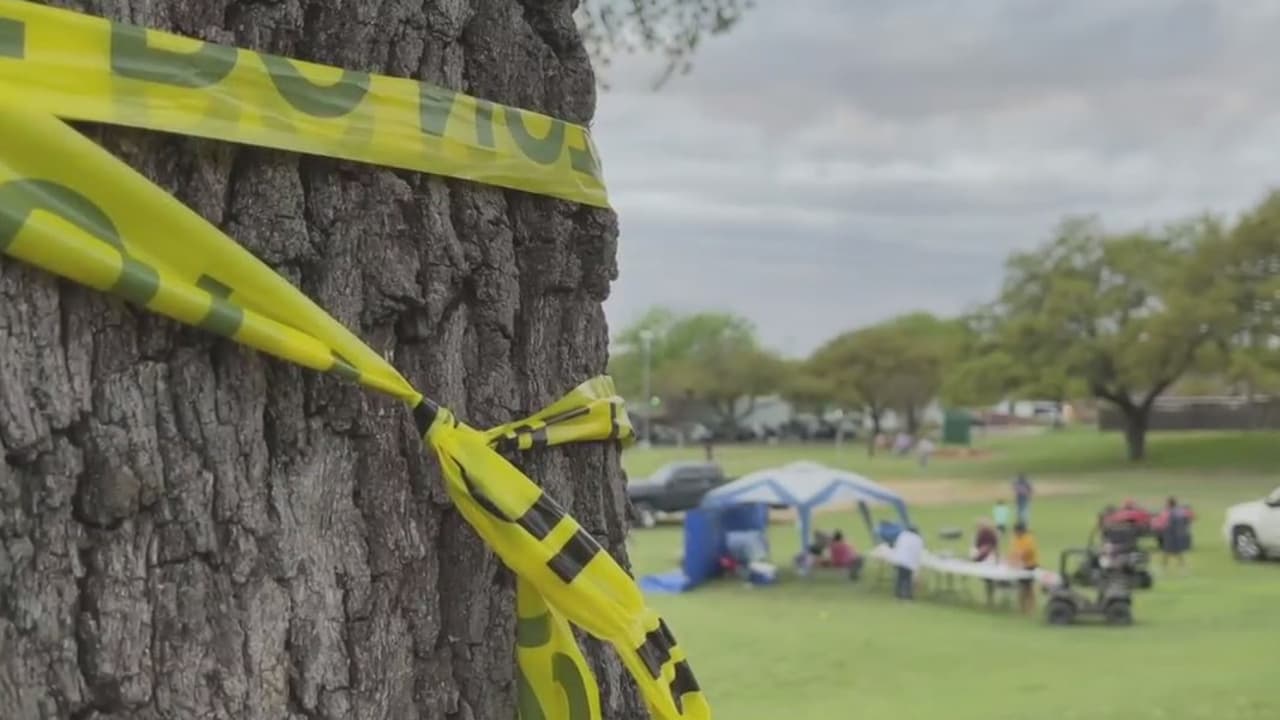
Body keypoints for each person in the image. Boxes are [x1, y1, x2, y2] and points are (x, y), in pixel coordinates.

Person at [1008, 522, 1040, 616]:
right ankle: (1021, 608)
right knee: (1021, 587)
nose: (1015, 533)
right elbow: (1014, 551)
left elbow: (1025, 553)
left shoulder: (1028, 539)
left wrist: (1016, 560)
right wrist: (1010, 560)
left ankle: (1031, 608)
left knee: (1029, 588)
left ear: (1021, 531)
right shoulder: (1015, 539)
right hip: (1021, 566)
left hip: (1030, 565)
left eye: (1016, 531)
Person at [971, 519, 1001, 605]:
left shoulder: (991, 535)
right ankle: (990, 598)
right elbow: (976, 549)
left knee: (990, 579)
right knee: (988, 580)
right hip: (982, 561)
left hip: (989, 561)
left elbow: (995, 549)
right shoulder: (979, 536)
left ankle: (990, 598)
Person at [891, 525, 925, 600]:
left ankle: (898, 594)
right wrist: (917, 568)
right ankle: (907, 595)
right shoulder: (918, 539)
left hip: (899, 560)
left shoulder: (902, 535)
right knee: (907, 579)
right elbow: (918, 553)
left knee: (900, 578)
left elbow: (897, 546)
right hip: (908, 562)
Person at [1161, 496, 1191, 574]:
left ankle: (1164, 568)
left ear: (1170, 504)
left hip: (1171, 534)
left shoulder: (1170, 512)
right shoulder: (1180, 511)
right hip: (1179, 534)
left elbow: (1166, 522)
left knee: (1167, 551)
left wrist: (1163, 528)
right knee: (1178, 552)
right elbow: (1186, 520)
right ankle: (1183, 568)